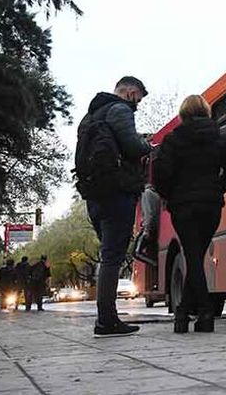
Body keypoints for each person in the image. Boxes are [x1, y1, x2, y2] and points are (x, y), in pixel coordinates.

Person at [153, 94, 226, 333]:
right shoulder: (219, 137)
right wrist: (218, 187)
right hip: (211, 205)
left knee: (192, 255)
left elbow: (159, 174)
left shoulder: (173, 140)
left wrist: (170, 195)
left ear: (183, 114)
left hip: (183, 206)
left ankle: (203, 312)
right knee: (196, 256)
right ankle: (184, 312)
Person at [75, 76, 152, 337]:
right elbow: (132, 146)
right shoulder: (119, 110)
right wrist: (147, 145)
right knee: (112, 257)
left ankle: (106, 317)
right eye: (138, 99)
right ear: (130, 93)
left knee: (108, 255)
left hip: (94, 194)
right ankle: (107, 320)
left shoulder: (90, 117)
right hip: (116, 191)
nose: (137, 105)